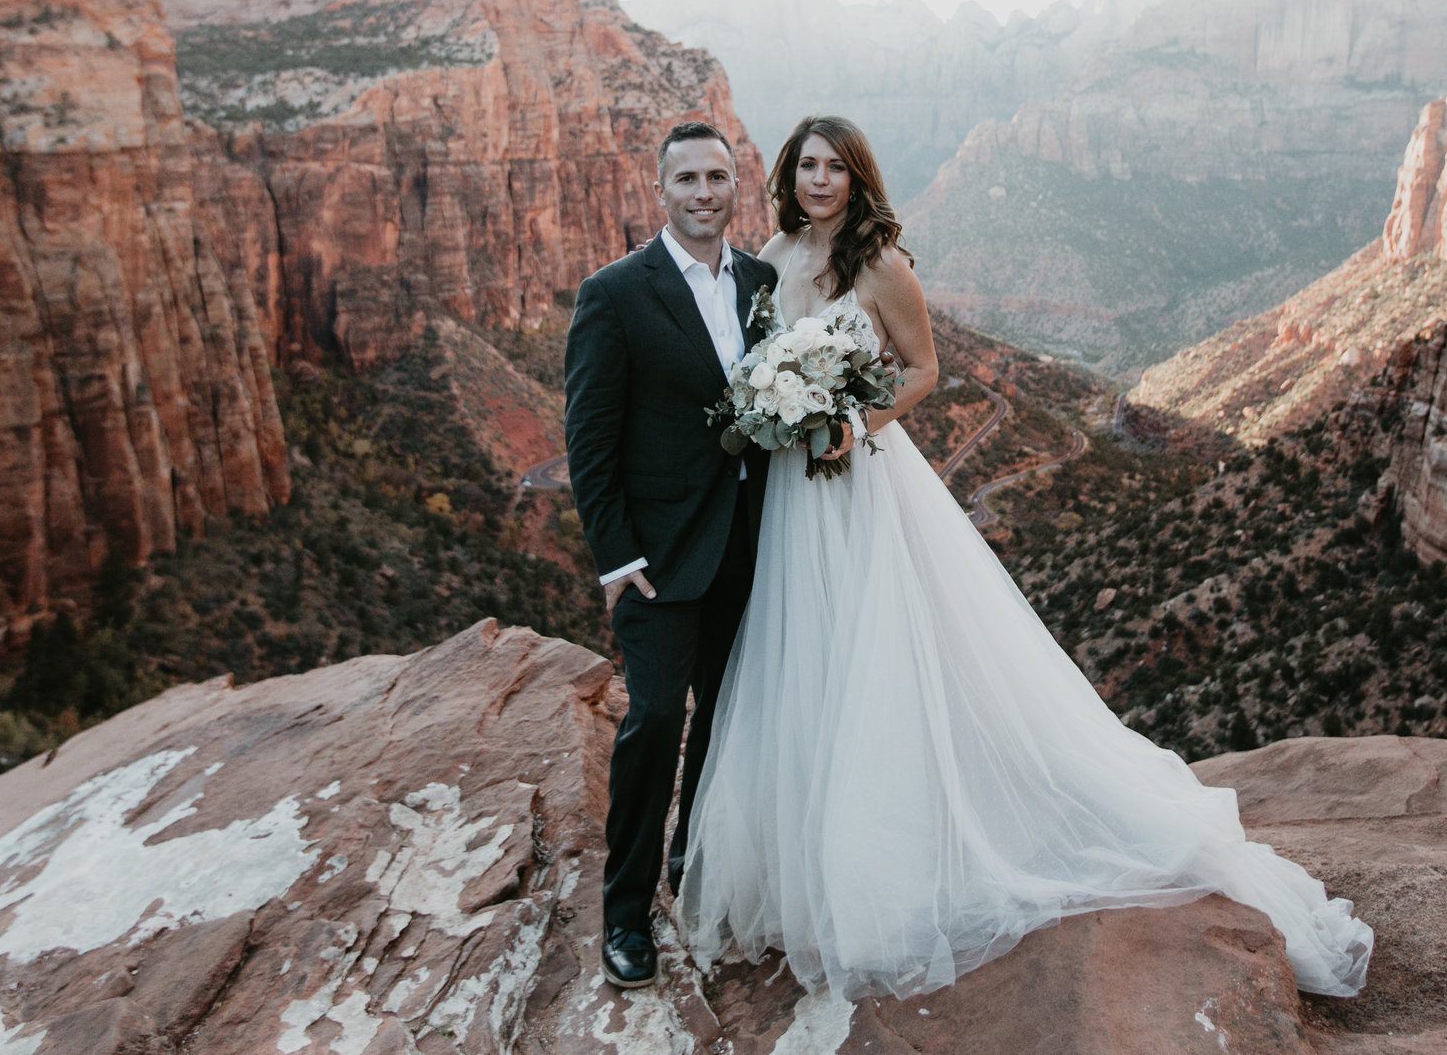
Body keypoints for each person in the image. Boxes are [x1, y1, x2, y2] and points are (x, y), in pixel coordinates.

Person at [673, 115, 1373, 1002]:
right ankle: (802, 865)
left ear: (857, 177)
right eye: (806, 164)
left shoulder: (882, 264)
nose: (819, 179)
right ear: (787, 173)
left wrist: (855, 422)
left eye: (834, 166)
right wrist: (773, 409)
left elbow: (923, 367)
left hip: (857, 483)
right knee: (801, 662)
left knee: (873, 660)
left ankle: (895, 856)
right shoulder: (770, 254)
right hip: (786, 491)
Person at [562, 121, 779, 990]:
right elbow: (589, 438)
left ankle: (693, 861)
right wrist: (616, 559)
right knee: (653, 722)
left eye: (717, 177)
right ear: (661, 189)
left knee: (725, 720)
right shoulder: (614, 293)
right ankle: (624, 913)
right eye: (686, 177)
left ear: (737, 187)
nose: (702, 191)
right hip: (659, 561)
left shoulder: (760, 281)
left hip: (749, 551)